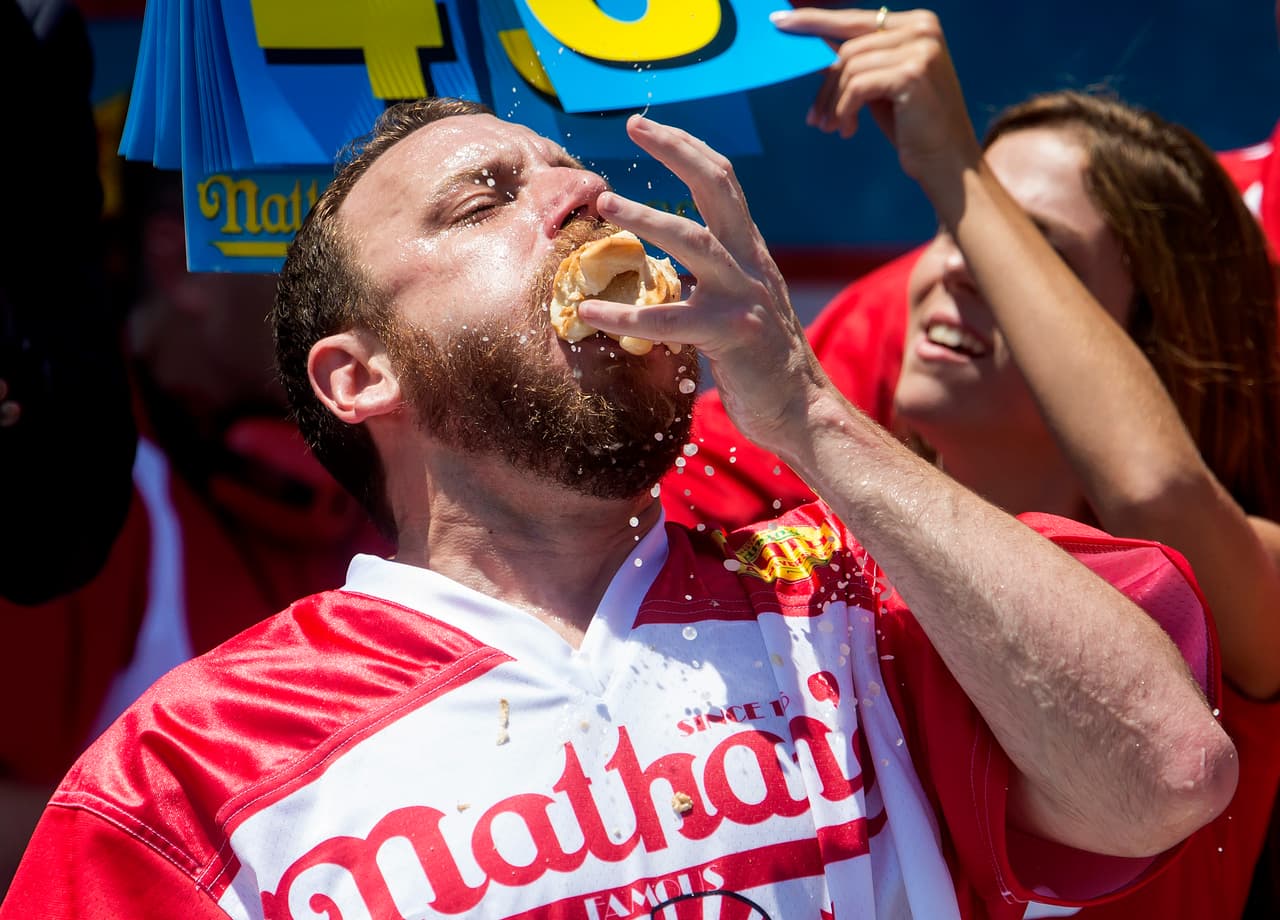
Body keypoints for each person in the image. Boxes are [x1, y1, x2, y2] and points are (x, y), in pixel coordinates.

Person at [0, 84, 1239, 918]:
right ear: (357, 373)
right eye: (483, 199)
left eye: (573, 176)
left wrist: (803, 410)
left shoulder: (858, 587)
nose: (577, 199)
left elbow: (1166, 770)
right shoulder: (188, 769)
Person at [673, 6, 1280, 920]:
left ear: (1153, 345)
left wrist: (955, 168)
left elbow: (1157, 488)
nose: (956, 264)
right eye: (950, 227)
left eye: (1031, 252)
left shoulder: (1252, 596)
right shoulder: (795, 533)